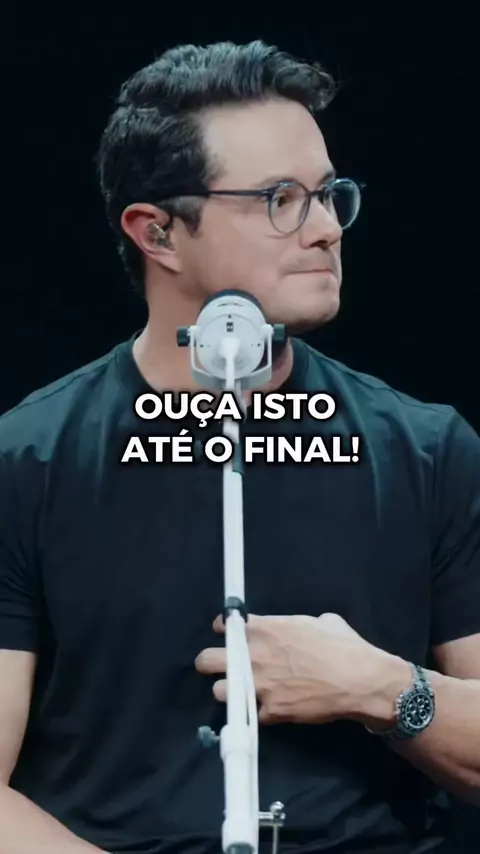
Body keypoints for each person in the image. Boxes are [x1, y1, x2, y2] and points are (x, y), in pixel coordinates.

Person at [0, 38, 479, 854]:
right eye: (280, 199)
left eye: (328, 196)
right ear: (158, 232)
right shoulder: (27, 462)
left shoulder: (430, 451)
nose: (325, 230)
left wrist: (382, 689)